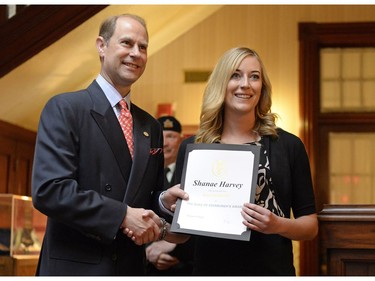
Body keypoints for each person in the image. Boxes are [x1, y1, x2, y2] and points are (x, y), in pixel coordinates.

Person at [31, 14, 188, 276]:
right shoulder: (65, 108)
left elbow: (146, 199)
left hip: (130, 268)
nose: (136, 53)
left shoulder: (151, 126)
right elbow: (50, 190)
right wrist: (122, 215)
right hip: (77, 267)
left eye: (143, 47)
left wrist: (162, 200)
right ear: (101, 46)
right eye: (126, 43)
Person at [174, 47, 318, 276]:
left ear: (262, 87)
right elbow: (180, 230)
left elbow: (310, 227)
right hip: (210, 271)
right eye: (235, 75)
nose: (246, 84)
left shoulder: (289, 145)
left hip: (272, 272)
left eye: (254, 76)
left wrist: (277, 225)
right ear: (221, 83)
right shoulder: (193, 148)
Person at [145, 116, 194, 276]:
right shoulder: (143, 175)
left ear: (181, 139)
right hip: (145, 265)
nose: (165, 143)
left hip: (184, 265)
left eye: (171, 137)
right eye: (161, 137)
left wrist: (176, 252)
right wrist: (148, 252)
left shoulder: (193, 175)